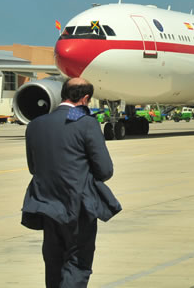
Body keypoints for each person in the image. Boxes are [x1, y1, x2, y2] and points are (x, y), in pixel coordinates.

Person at [21, 77, 119, 288]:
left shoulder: (36, 124)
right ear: (85, 99)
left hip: (46, 206)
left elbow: (33, 168)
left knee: (54, 265)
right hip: (78, 208)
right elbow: (105, 170)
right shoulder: (86, 123)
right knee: (77, 264)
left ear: (63, 94)